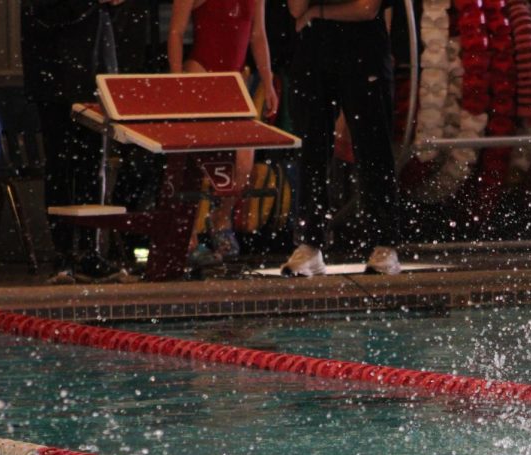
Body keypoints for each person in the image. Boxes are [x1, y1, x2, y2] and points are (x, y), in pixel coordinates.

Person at [280, 0, 402, 277]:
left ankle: (385, 242)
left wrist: (317, 11)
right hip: (314, 54)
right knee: (312, 150)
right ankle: (310, 241)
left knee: (373, 149)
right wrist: (312, 11)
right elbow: (296, 8)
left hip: (364, 51)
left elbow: (366, 8)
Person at [168, 0, 279, 268]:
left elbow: (258, 35)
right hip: (201, 75)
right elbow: (175, 32)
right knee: (192, 163)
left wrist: (268, 82)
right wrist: (175, 82)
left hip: (235, 82)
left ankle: (221, 218)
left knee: (244, 164)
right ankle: (189, 235)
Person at [21, 0, 124, 278]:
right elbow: (43, 14)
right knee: (61, 165)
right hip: (57, 78)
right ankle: (64, 253)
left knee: (93, 167)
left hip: (94, 75)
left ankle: (91, 252)